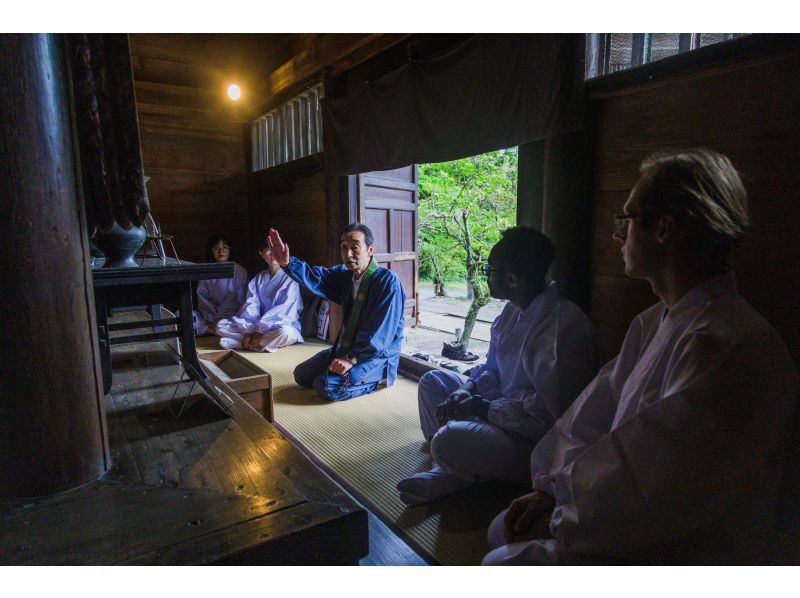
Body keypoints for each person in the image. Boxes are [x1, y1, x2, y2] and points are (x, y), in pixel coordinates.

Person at [483, 149, 800, 565]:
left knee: (499, 563)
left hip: (683, 548)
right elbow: (592, 415)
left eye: (626, 220)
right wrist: (553, 488)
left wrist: (564, 518)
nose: (618, 235)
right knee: (501, 530)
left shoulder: (728, 344)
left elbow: (659, 485)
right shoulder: (654, 322)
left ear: (664, 229)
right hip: (615, 511)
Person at [396, 226, 596, 506]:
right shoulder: (511, 312)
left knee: (448, 438)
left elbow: (547, 417)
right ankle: (459, 465)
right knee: (434, 383)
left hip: (535, 443)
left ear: (512, 278)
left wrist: (481, 408)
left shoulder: (563, 327)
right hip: (499, 412)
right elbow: (491, 369)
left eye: (490, 269)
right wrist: (467, 389)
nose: (486, 275)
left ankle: (451, 466)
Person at [267, 223, 405, 401]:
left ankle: (379, 380)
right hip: (347, 349)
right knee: (302, 374)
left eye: (354, 247)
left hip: (376, 356)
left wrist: (351, 359)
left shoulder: (387, 281)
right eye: (344, 247)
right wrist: (287, 263)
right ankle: (346, 372)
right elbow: (316, 276)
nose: (348, 254)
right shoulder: (344, 275)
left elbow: (380, 335)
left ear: (370, 250)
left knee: (324, 386)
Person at [215, 232, 304, 352]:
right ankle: (258, 342)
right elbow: (250, 305)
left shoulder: (291, 278)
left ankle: (246, 343)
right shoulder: (258, 278)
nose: (272, 254)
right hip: (256, 325)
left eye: (276, 250)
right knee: (221, 326)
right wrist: (251, 330)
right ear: (261, 254)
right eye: (268, 250)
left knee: (285, 333)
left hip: (281, 324)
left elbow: (285, 311)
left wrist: (259, 330)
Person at [193, 234, 248, 335]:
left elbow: (238, 300)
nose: (221, 251)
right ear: (211, 250)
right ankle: (216, 330)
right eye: (216, 248)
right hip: (210, 318)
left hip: (231, 316)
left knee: (240, 323)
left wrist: (221, 317)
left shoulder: (240, 271)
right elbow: (203, 298)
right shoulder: (206, 271)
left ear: (230, 250)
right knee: (187, 316)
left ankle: (213, 331)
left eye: (225, 247)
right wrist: (211, 319)